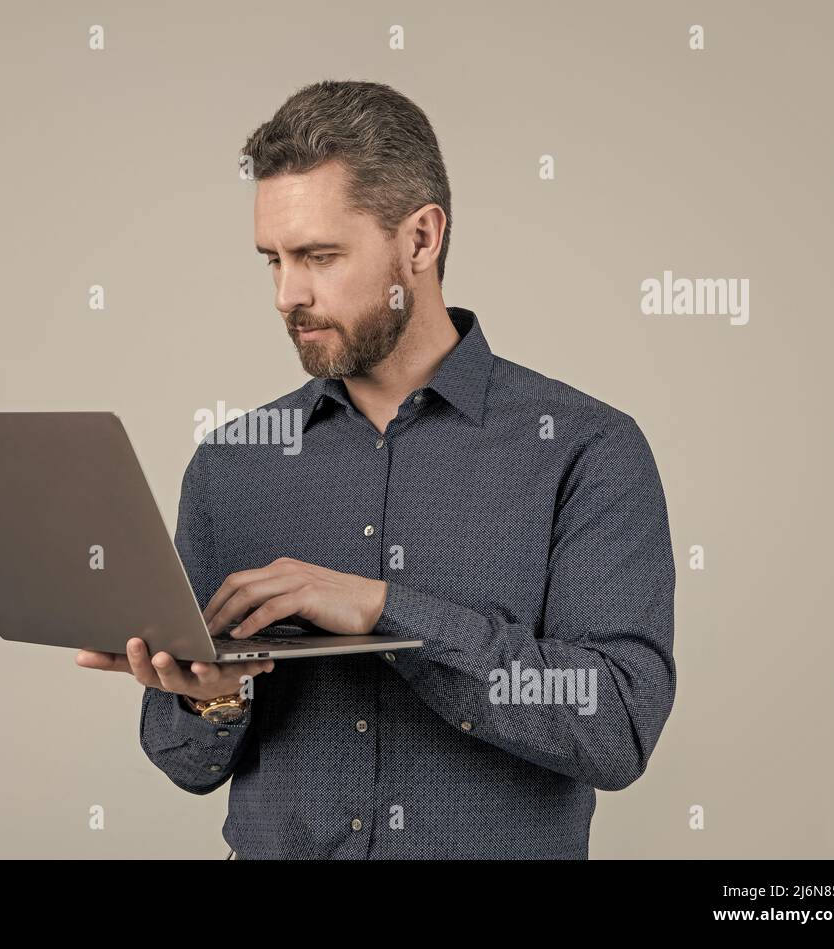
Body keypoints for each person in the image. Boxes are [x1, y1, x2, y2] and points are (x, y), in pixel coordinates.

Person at [77, 79, 676, 859]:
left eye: (321, 256)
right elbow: (185, 761)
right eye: (274, 260)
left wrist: (386, 610)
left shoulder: (585, 450)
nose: (289, 294)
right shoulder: (230, 466)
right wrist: (212, 702)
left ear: (420, 241)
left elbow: (616, 723)